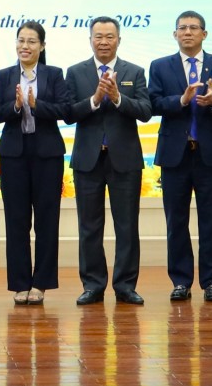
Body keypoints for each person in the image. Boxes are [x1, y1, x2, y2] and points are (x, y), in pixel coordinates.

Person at [64, 16, 152, 306]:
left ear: (119, 40)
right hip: (87, 160)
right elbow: (68, 113)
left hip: (125, 160)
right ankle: (93, 285)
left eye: (109, 36)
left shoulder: (134, 72)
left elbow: (145, 111)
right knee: (89, 226)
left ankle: (125, 286)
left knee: (127, 226)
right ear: (90, 40)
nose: (103, 42)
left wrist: (117, 98)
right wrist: (94, 99)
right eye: (98, 36)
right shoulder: (75, 72)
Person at [148, 10, 212, 302]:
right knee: (176, 221)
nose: (187, 32)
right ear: (175, 34)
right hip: (175, 155)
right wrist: (181, 100)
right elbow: (153, 103)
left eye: (193, 28)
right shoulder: (160, 66)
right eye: (182, 28)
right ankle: (181, 281)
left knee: (211, 221)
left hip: (209, 153)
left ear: (204, 34)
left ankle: (211, 283)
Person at [0, 21, 71, 305]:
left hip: (47, 154)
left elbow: (65, 110)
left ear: (42, 46)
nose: (25, 46)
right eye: (21, 40)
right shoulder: (4, 75)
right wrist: (15, 106)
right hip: (13, 154)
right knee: (16, 220)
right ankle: (20, 283)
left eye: (31, 41)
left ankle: (41, 283)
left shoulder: (54, 74)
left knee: (47, 220)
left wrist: (37, 106)